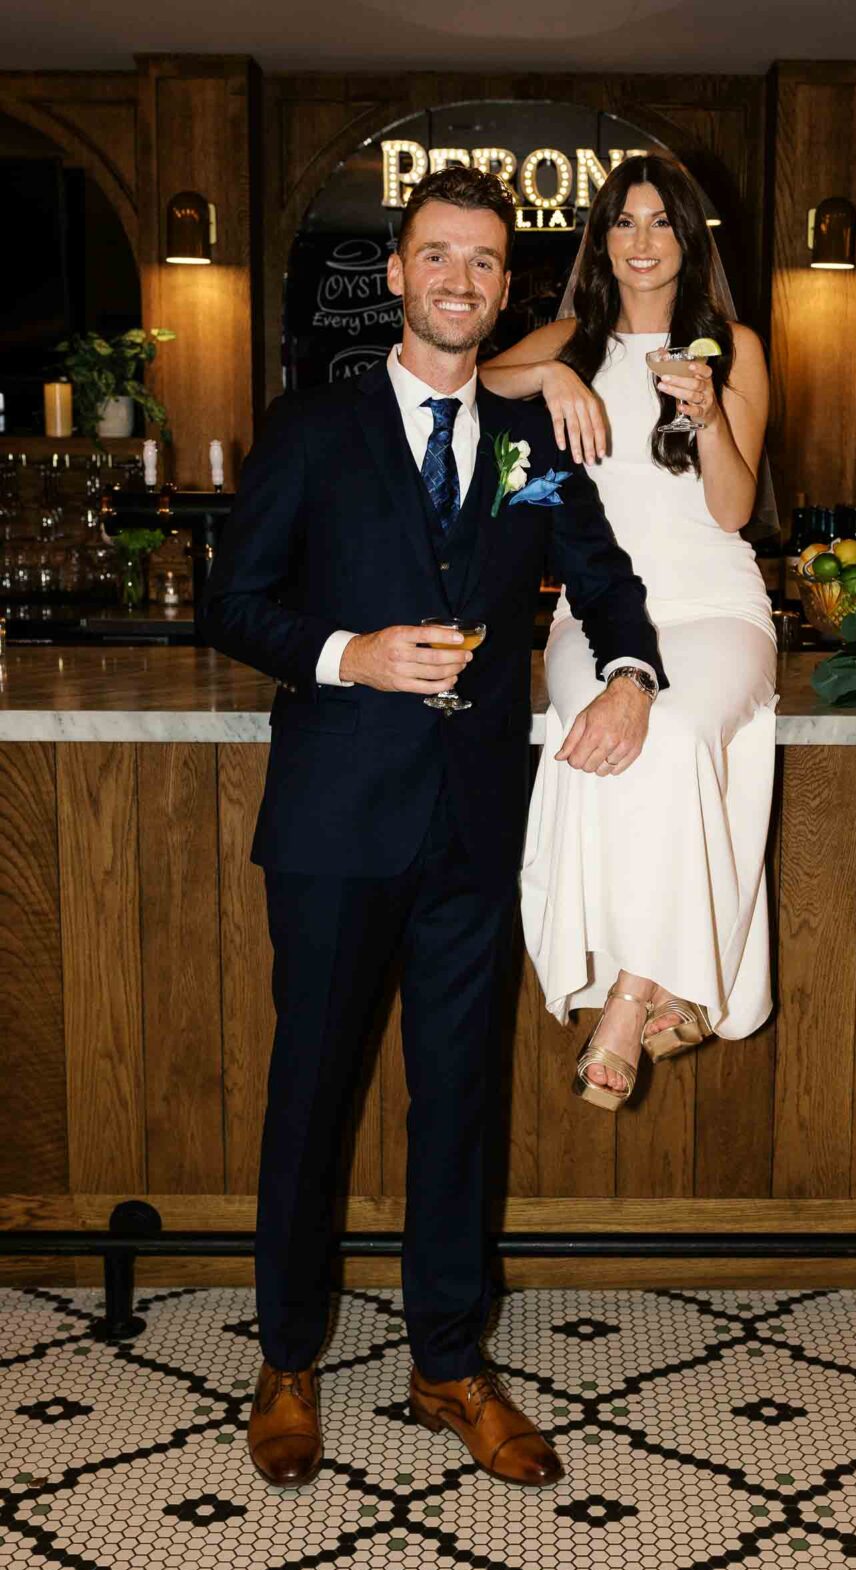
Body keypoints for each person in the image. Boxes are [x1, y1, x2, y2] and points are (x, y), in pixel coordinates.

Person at [198, 164, 665, 1491]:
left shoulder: (523, 450)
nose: (459, 280)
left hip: (471, 825)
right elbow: (233, 604)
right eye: (436, 257)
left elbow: (603, 579)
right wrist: (346, 652)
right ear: (397, 277)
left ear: (501, 289)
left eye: (482, 263)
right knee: (311, 1098)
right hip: (336, 822)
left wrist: (628, 671)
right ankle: (286, 1357)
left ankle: (446, 1366)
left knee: (457, 1105)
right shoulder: (312, 426)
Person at [481, 153, 778, 1111]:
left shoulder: (733, 344)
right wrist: (558, 378)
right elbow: (478, 375)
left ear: (687, 240)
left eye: (659, 223)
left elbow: (733, 511)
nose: (641, 242)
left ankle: (631, 993)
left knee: (682, 731)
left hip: (714, 604)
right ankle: (666, 983)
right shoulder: (572, 334)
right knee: (599, 732)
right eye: (622, 223)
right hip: (596, 608)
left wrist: (708, 418)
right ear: (600, 241)